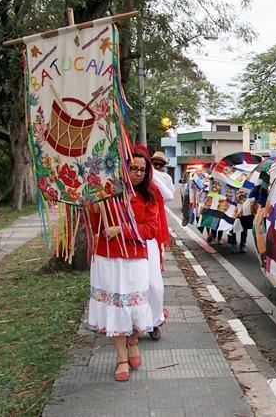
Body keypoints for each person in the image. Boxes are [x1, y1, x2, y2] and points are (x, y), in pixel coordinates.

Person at [88, 148, 158, 381]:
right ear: (123, 169)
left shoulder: (149, 196)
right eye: (133, 168)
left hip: (135, 259)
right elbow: (94, 221)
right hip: (106, 258)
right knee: (114, 308)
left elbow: (150, 230)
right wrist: (93, 206)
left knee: (136, 308)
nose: (137, 173)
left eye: (142, 170)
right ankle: (121, 358)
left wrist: (122, 230)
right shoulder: (106, 193)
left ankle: (134, 340)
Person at [148, 150, 174, 340]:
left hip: (154, 234)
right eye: (153, 163)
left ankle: (154, 321)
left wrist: (153, 175)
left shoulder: (161, 177)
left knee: (155, 284)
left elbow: (168, 196)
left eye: (159, 164)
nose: (157, 167)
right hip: (132, 238)